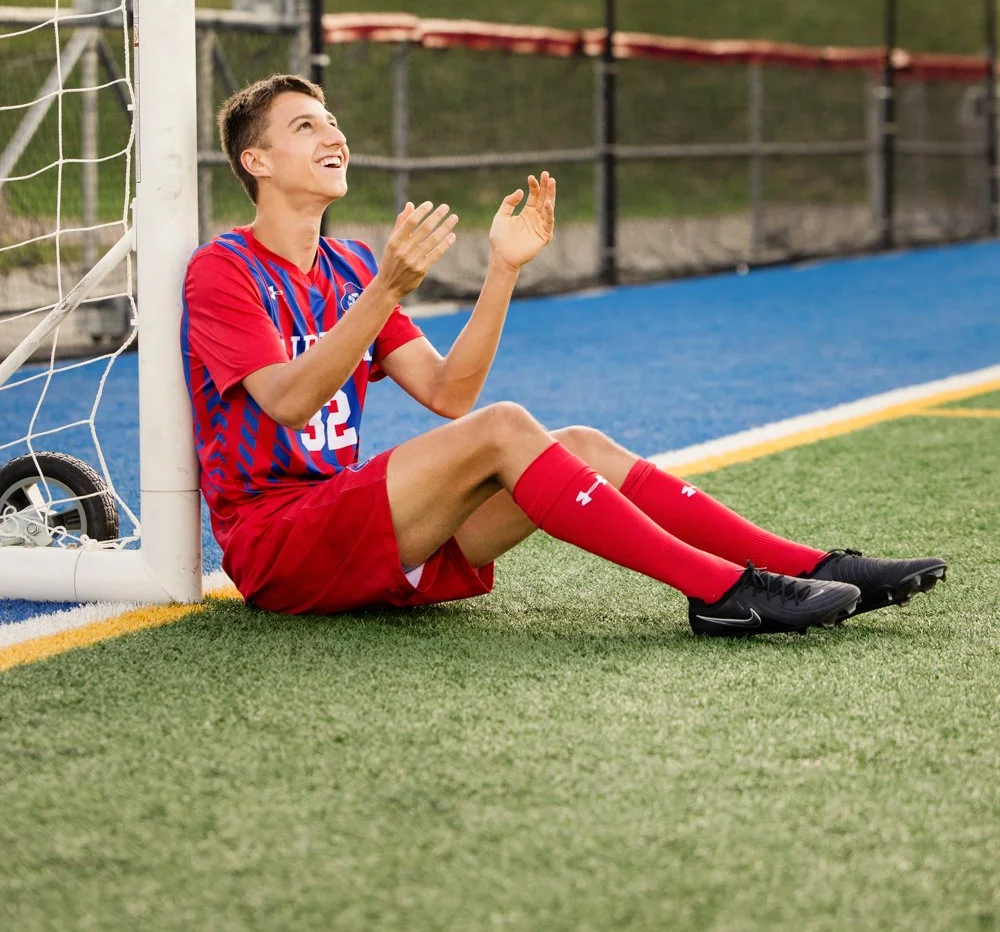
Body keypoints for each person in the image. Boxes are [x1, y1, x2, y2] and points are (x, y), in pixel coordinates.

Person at [181, 73, 946, 637]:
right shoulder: (225, 269)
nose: (334, 135)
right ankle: (721, 592)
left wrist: (503, 269)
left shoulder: (348, 266)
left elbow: (448, 393)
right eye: (307, 127)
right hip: (279, 543)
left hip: (353, 529)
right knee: (508, 425)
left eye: (332, 120)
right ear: (257, 162)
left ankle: (813, 566)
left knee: (575, 444)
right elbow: (285, 401)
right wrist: (386, 291)